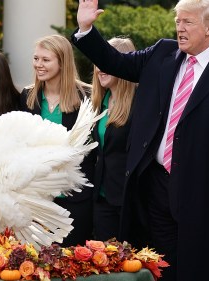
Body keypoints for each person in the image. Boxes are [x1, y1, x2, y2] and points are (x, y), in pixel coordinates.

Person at [73, 0, 209, 280]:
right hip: (155, 183)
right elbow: (115, 61)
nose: (180, 29)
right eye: (177, 21)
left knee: (197, 269)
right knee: (156, 267)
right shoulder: (162, 53)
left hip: (203, 193)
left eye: (188, 22)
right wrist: (87, 28)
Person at [22, 34, 95, 247]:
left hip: (75, 196)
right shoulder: (28, 96)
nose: (38, 65)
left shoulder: (86, 96)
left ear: (62, 62)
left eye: (45, 60)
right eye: (36, 59)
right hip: (37, 197)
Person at [90, 37, 137, 241]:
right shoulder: (99, 102)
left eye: (106, 62)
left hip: (130, 202)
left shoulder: (141, 102)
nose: (100, 68)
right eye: (98, 63)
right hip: (101, 199)